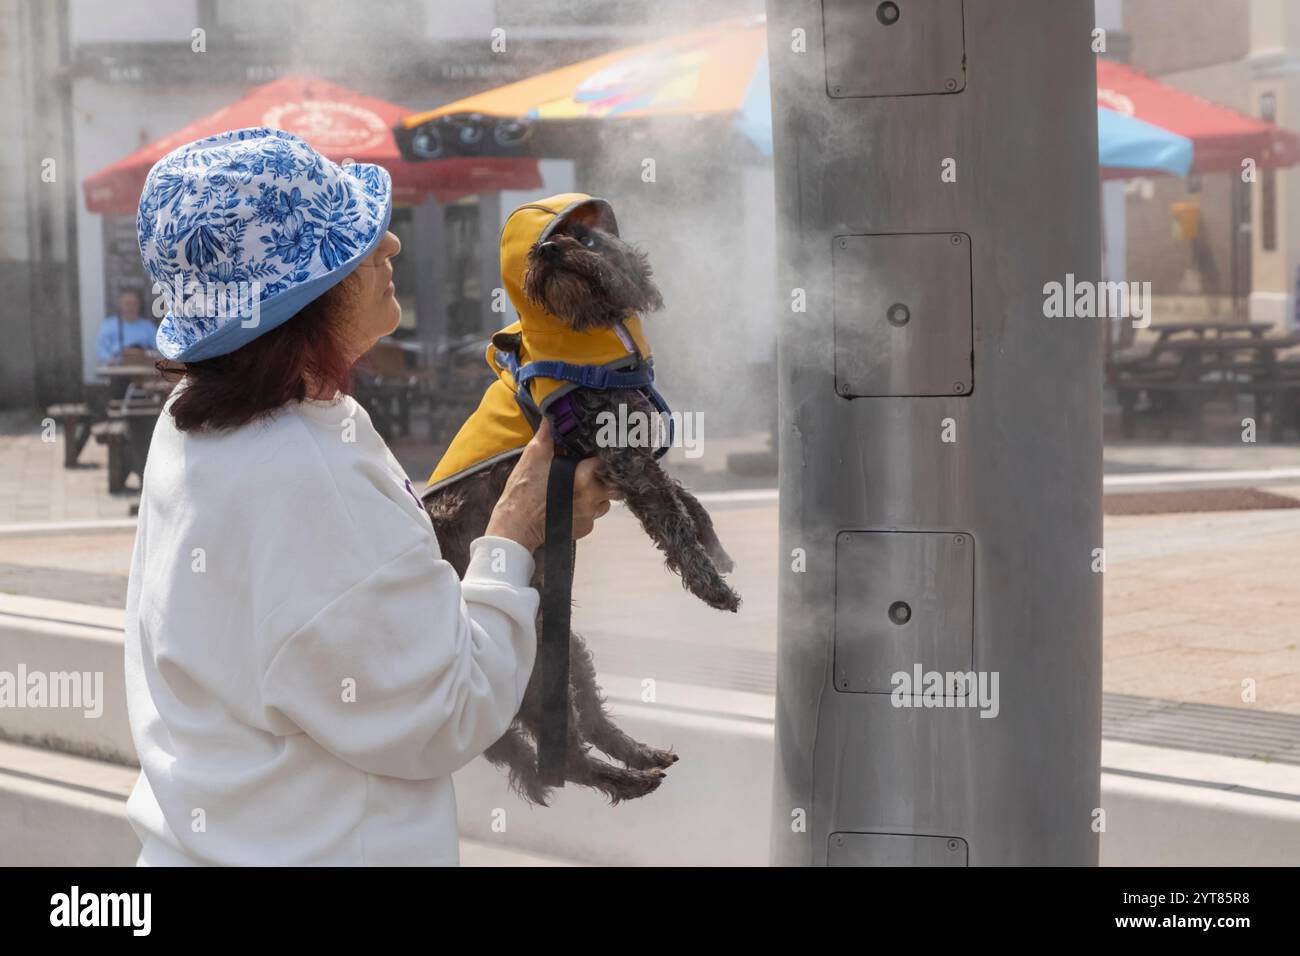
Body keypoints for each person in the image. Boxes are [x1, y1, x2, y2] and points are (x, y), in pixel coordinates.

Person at [123, 127, 617, 866]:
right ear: (297, 302)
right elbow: (448, 710)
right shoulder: (301, 474)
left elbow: (340, 608)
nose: (387, 245)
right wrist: (515, 535)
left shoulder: (200, 417)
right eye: (353, 244)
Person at [95, 289, 156, 364]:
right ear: (120, 306)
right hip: (118, 370)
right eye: (127, 304)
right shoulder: (108, 325)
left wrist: (145, 355)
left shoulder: (148, 327)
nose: (131, 307)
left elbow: (158, 350)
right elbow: (101, 351)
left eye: (134, 304)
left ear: (139, 306)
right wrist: (113, 361)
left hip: (144, 369)